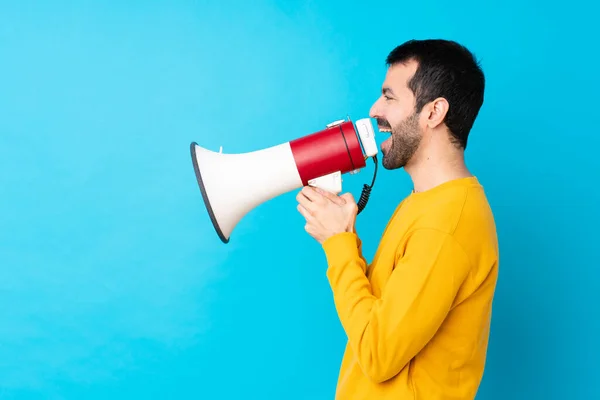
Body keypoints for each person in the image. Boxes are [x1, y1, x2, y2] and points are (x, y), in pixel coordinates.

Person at [296, 39, 499, 399]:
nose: (374, 109)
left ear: (434, 112)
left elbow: (378, 354)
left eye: (389, 97)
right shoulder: (426, 204)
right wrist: (344, 238)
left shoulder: (447, 223)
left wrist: (337, 245)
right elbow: (378, 312)